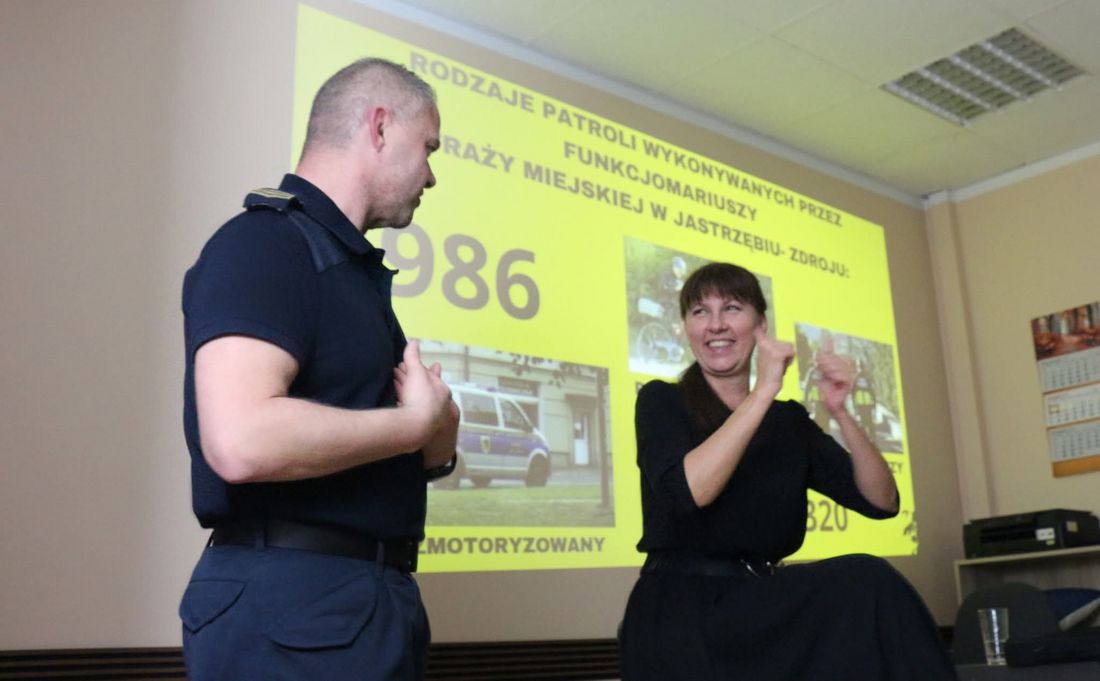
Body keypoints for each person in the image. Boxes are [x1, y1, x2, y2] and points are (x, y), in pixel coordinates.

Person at [178, 58, 458, 680]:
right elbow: (242, 440)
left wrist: (438, 429)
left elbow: (408, 442)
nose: (431, 175)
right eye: (428, 148)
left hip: (359, 603)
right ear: (380, 127)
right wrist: (413, 426)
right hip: (298, 608)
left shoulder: (346, 269)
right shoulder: (264, 244)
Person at [620, 262, 957, 681]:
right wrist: (764, 390)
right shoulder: (662, 401)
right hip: (683, 612)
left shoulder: (787, 422)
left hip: (761, 606)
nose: (715, 324)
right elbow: (690, 492)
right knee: (863, 582)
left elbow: (881, 501)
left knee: (870, 583)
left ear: (761, 326)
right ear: (686, 328)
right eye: (700, 311)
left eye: (732, 308)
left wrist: (842, 412)